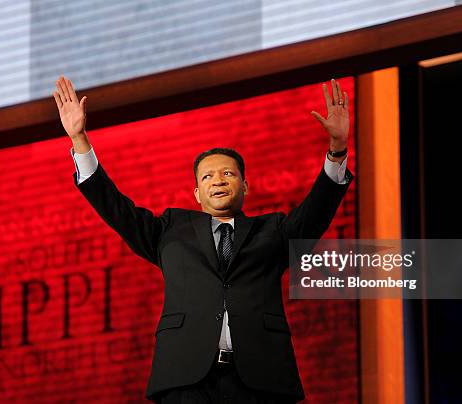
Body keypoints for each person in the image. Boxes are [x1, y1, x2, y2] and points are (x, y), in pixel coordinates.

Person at [53, 75, 353, 403]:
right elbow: (116, 209)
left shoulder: (274, 231)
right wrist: (80, 140)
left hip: (260, 381)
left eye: (228, 173)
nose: (218, 181)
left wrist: (337, 150)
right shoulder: (170, 229)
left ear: (245, 185)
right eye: (207, 176)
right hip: (186, 380)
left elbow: (317, 211)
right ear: (197, 193)